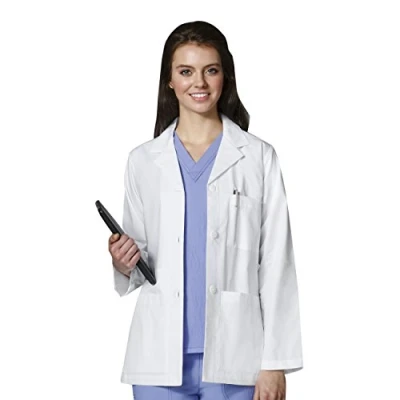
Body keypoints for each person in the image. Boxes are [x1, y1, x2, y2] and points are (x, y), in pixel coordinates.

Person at [108, 20, 303, 400]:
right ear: (169, 81)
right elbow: (140, 260)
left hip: (237, 358)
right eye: (185, 71)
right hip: (158, 360)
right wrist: (123, 262)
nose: (199, 82)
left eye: (210, 70)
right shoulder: (143, 161)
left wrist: (275, 363)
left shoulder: (257, 157)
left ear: (224, 77)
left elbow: (277, 264)